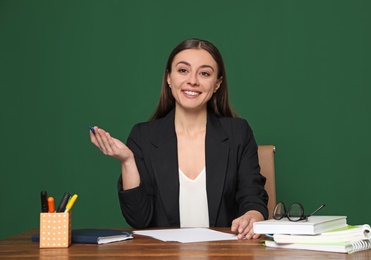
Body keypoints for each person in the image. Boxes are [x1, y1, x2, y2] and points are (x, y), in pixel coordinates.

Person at [89, 38, 269, 240]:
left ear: (217, 83)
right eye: (183, 70)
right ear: (168, 77)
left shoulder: (238, 132)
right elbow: (139, 220)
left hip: (224, 253)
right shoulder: (142, 136)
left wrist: (253, 215)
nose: (192, 80)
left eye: (204, 73)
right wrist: (127, 161)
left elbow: (252, 194)